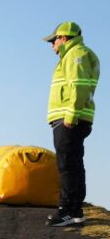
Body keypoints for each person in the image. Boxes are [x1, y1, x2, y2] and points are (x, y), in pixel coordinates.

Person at [43, 21, 100, 227]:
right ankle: (75, 211)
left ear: (64, 38)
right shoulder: (73, 55)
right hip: (72, 118)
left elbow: (80, 86)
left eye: (53, 40)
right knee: (74, 164)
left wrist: (71, 115)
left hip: (70, 119)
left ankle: (66, 210)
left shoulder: (76, 55)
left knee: (67, 165)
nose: (52, 45)